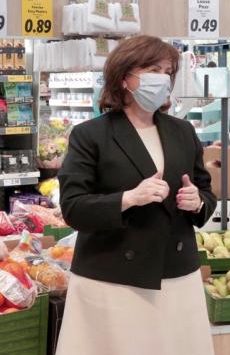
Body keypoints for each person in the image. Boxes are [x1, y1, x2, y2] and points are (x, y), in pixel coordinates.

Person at [56, 35, 217, 355]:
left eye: (168, 71)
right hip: (112, 281)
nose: (162, 79)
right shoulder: (90, 135)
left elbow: (206, 193)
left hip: (177, 277)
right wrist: (129, 198)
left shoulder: (182, 131)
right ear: (125, 76)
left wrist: (197, 201)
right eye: (153, 69)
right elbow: (73, 208)